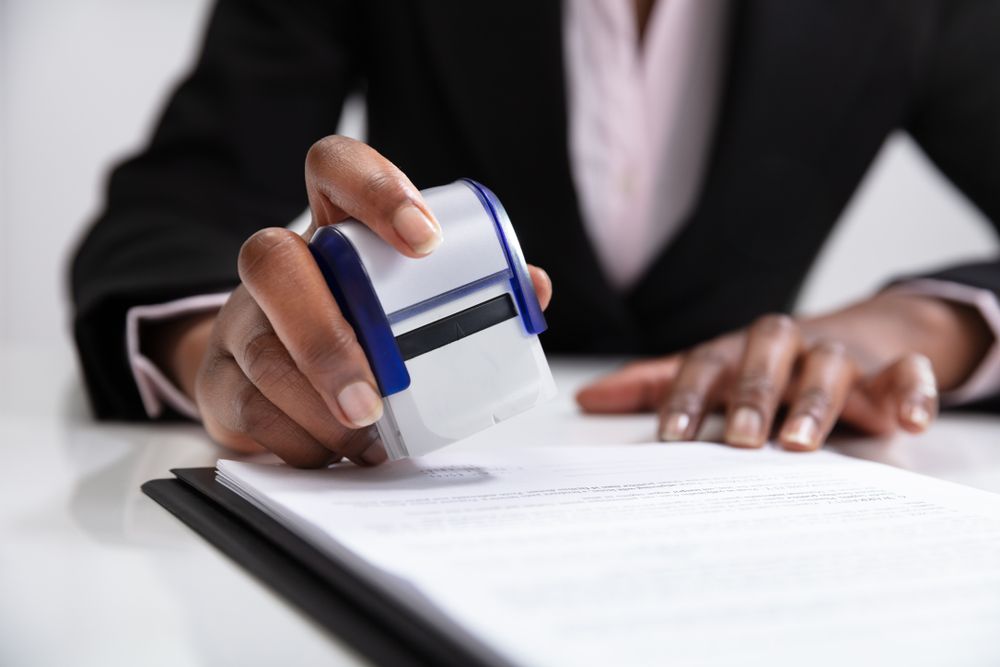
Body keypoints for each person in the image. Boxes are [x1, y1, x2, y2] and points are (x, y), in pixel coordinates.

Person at [72, 0, 1000, 467]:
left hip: (752, 489)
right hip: (428, 475)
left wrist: (927, 326)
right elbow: (172, 209)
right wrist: (238, 357)